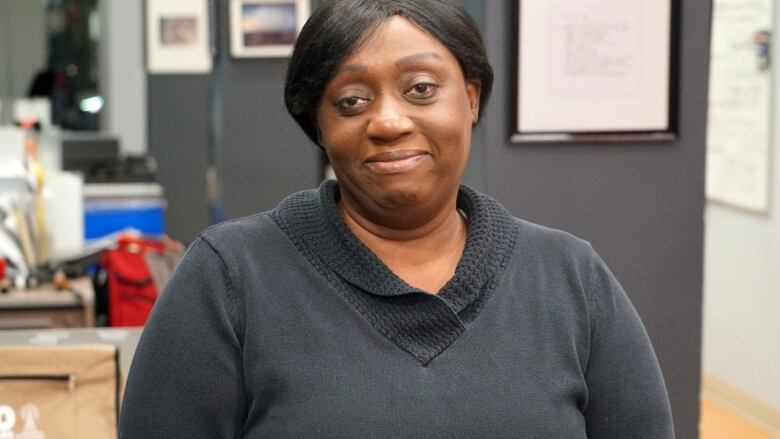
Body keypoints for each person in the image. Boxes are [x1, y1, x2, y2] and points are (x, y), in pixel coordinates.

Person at [119, 1, 675, 437]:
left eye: (421, 89)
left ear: (472, 98)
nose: (388, 122)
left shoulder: (570, 276)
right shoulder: (228, 279)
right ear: (319, 126)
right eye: (352, 101)